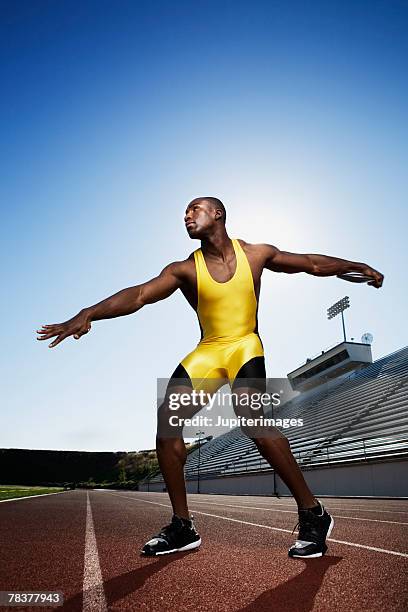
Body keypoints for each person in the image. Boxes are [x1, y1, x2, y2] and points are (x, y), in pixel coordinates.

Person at [37, 196, 384, 558]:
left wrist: (355, 266)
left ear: (217, 214)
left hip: (245, 345)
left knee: (253, 421)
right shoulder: (184, 269)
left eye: (194, 209)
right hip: (209, 351)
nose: (186, 216)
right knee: (167, 422)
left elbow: (310, 263)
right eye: (184, 213)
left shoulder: (255, 254)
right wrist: (88, 312)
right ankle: (183, 526)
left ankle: (313, 513)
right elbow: (140, 294)